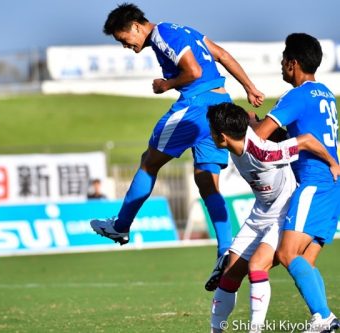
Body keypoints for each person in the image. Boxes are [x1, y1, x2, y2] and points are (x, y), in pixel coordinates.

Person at [90, 3, 264, 289]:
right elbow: (221, 54)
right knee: (207, 182)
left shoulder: (161, 35)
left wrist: (166, 84)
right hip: (220, 105)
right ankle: (225, 250)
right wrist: (249, 87)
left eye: (124, 39)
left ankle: (120, 226)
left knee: (149, 161)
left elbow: (193, 72)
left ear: (135, 26)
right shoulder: (186, 31)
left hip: (196, 105)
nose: (125, 46)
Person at [206, 103, 340, 333]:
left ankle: (255, 330)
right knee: (230, 273)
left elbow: (307, 140)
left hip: (282, 214)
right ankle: (215, 330)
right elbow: (247, 115)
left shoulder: (265, 153)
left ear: (223, 137)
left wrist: (333, 162)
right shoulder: (239, 133)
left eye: (212, 131)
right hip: (259, 212)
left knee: (257, 265)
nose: (209, 134)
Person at [253, 33, 340, 332]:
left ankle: (324, 316)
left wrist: (249, 125)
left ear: (293, 63)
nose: (280, 65)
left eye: (283, 60)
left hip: (314, 185)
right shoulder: (326, 93)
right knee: (306, 259)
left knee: (287, 253)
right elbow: (288, 132)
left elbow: (261, 136)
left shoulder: (296, 96)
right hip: (332, 186)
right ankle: (323, 320)